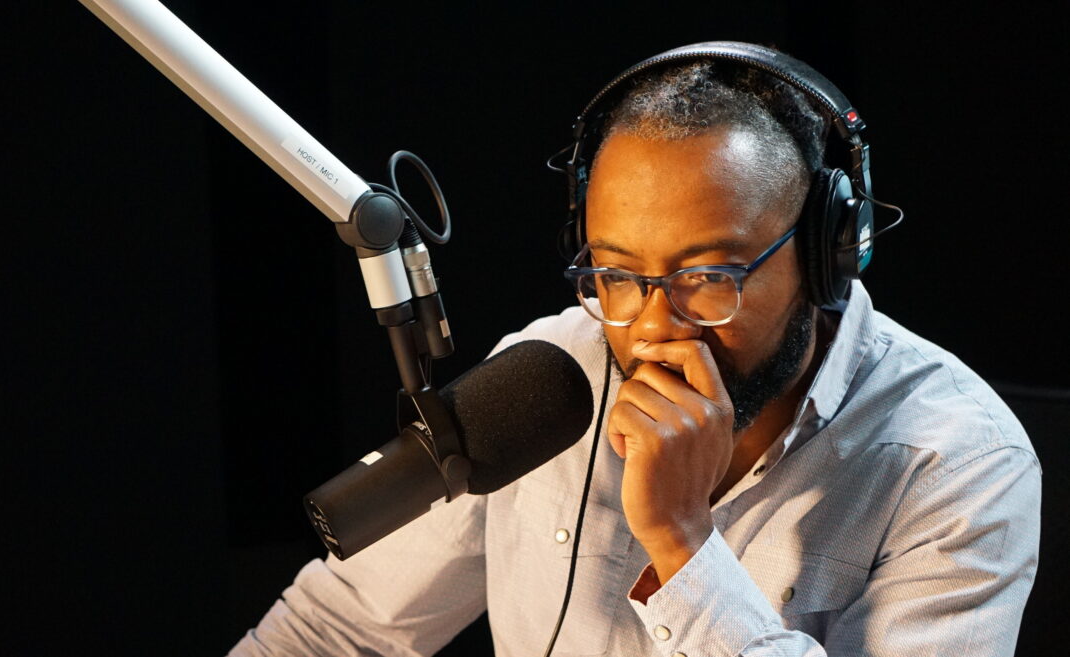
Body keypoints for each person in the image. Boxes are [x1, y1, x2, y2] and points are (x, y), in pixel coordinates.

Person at [228, 42, 1041, 656]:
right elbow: (334, 630)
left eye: (710, 273)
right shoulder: (551, 374)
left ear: (826, 255)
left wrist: (686, 548)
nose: (653, 327)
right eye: (616, 273)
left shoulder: (958, 460)